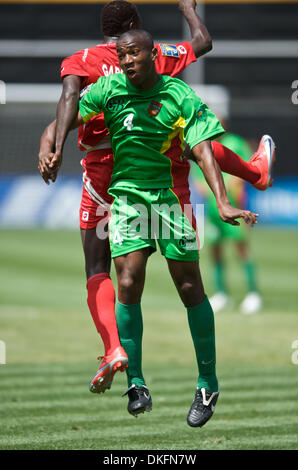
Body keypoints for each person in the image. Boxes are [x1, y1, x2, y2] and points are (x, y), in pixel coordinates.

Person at [38, 1, 275, 397]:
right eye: (126, 52)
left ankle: (114, 347)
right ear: (133, 28)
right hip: (152, 174)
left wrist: (52, 146)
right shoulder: (159, 54)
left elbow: (66, 102)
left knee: (101, 267)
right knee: (195, 145)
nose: (129, 60)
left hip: (104, 172)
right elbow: (202, 42)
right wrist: (187, 9)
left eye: (135, 53)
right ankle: (255, 172)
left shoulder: (83, 61)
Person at [190, 126, 263, 314]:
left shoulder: (235, 142)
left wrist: (233, 185)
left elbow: (246, 164)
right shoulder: (202, 143)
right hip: (213, 208)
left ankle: (253, 294)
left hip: (234, 203)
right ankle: (222, 294)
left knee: (241, 247)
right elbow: (199, 175)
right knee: (215, 250)